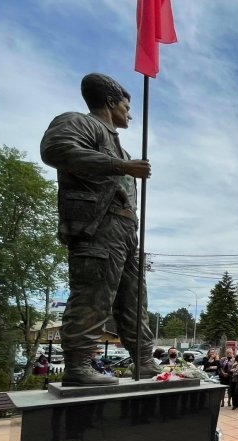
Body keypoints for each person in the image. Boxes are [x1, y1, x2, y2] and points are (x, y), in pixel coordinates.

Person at [40, 73, 162, 385]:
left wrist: (123, 165)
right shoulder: (81, 123)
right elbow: (55, 149)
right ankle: (79, 365)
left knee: (135, 300)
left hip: (125, 232)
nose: (130, 113)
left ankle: (144, 360)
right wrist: (120, 167)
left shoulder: (118, 146)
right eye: (125, 105)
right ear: (110, 102)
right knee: (93, 295)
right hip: (98, 228)